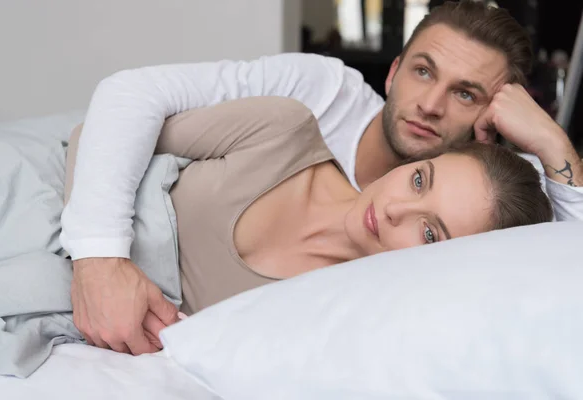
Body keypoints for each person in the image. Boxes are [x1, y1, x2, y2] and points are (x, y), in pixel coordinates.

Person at [60, 1, 583, 355]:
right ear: (394, 72)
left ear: (488, 128)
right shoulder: (319, 94)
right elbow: (131, 98)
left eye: (465, 94)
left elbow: (565, 264)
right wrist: (100, 259)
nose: (429, 105)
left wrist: (554, 143)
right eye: (423, 72)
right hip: (99, 165)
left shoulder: (480, 200)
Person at [64, 96, 553, 352]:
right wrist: (98, 260)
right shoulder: (284, 130)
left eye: (429, 233)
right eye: (420, 181)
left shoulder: (320, 323)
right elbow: (94, 137)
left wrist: (558, 149)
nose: (394, 210)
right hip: (34, 190)